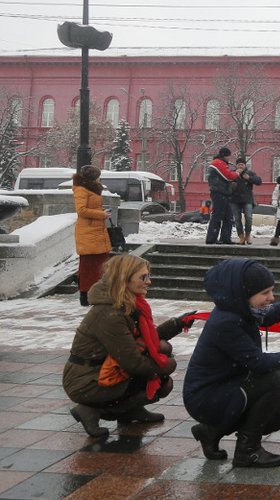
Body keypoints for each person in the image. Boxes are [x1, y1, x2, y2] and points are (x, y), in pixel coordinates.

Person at [183, 258, 280, 467]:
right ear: (243, 294)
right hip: (206, 397)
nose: (271, 297)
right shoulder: (226, 321)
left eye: (271, 291)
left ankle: (211, 431)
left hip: (224, 390)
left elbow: (271, 314)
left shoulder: (241, 310)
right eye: (265, 293)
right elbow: (257, 362)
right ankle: (247, 451)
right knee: (275, 380)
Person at [63, 254, 193, 437]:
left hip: (102, 371)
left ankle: (130, 410)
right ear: (124, 279)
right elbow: (133, 362)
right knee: (160, 378)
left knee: (159, 360)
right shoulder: (109, 313)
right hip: (86, 381)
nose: (149, 281)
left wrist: (177, 324)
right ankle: (91, 410)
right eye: (143, 277)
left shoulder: (126, 304)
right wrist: (166, 366)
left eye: (148, 276)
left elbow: (145, 340)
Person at [72, 165, 113, 307]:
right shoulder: (81, 190)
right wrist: (102, 214)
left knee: (100, 265)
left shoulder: (91, 189)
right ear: (92, 177)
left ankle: (98, 294)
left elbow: (91, 208)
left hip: (96, 232)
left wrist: (103, 212)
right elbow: (81, 210)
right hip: (88, 233)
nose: (99, 179)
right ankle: (85, 296)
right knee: (89, 266)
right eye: (97, 176)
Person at [206, 147, 240, 245]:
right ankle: (211, 238)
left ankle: (225, 238)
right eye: (229, 156)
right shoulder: (218, 163)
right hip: (219, 193)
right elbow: (228, 176)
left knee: (228, 216)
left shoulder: (220, 163)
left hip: (224, 193)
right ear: (225, 155)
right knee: (217, 215)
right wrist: (237, 173)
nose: (229, 158)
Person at [230, 157, 262, 245]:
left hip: (247, 199)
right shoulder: (232, 173)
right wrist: (232, 184)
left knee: (249, 217)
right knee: (237, 219)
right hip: (235, 200)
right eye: (239, 164)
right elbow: (226, 182)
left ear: (245, 165)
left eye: (242, 164)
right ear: (236, 166)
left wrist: (249, 178)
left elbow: (259, 181)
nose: (240, 166)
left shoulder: (250, 173)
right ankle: (241, 237)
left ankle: (248, 236)